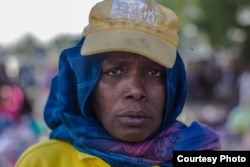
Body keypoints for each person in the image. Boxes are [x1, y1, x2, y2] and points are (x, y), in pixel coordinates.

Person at [15, 0, 220, 166]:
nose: (136, 90)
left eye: (154, 73)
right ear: (87, 86)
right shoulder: (44, 161)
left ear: (173, 88)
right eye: (114, 71)